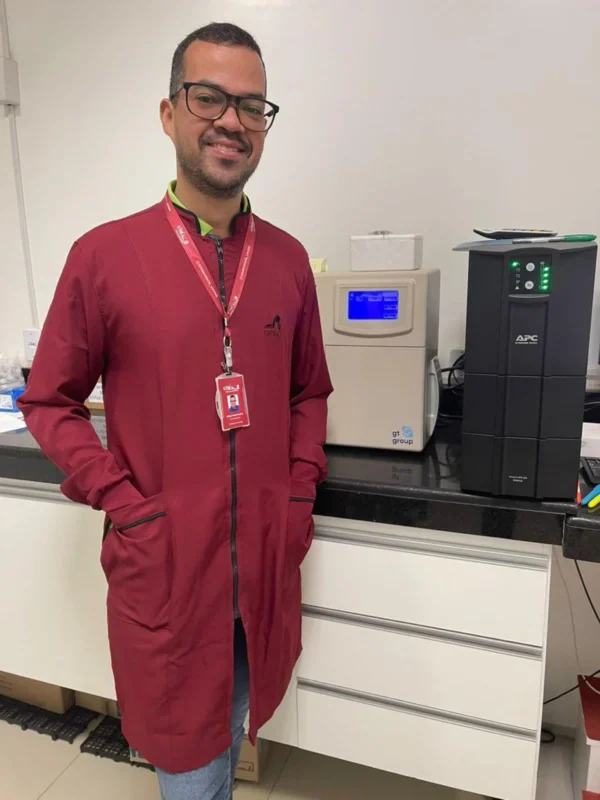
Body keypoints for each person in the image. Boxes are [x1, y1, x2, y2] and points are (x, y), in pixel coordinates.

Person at [19, 21, 332, 800]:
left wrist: (297, 496)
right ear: (169, 113)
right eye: (208, 98)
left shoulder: (288, 261)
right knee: (189, 770)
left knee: (231, 726)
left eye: (252, 105)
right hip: (168, 567)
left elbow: (309, 392)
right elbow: (49, 400)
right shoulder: (104, 258)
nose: (232, 120)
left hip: (260, 565)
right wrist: (124, 503)